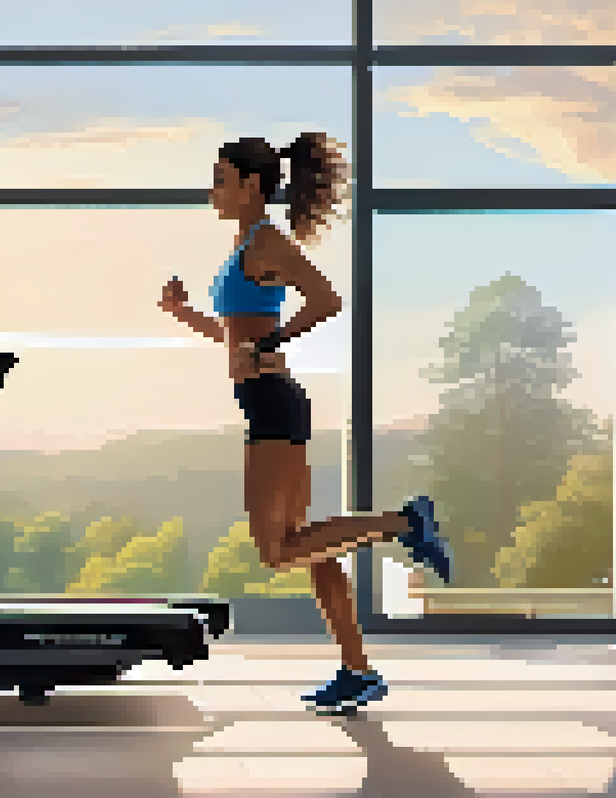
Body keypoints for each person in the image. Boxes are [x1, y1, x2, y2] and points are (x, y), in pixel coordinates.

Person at [156, 133, 452, 712]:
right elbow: (230, 332)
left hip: (272, 401)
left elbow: (325, 298)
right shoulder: (244, 247)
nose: (212, 190)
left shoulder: (266, 243)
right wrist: (183, 313)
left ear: (250, 185)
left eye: (221, 179)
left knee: (276, 551)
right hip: (270, 399)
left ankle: (403, 522)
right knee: (313, 550)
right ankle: (357, 670)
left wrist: (276, 338)